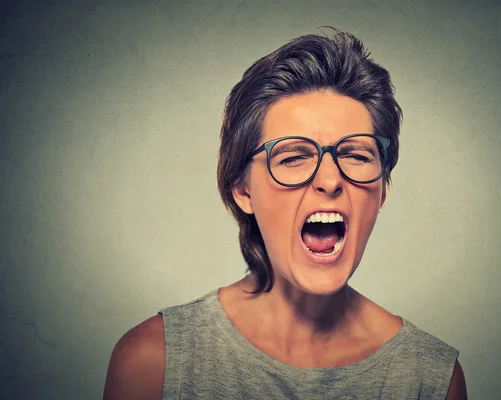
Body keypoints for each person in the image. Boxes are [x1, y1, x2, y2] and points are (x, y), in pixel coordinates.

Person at [103, 27, 467, 399]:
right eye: (292, 156)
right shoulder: (154, 363)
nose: (329, 179)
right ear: (243, 190)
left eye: (357, 155)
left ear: (382, 189)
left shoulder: (432, 379)